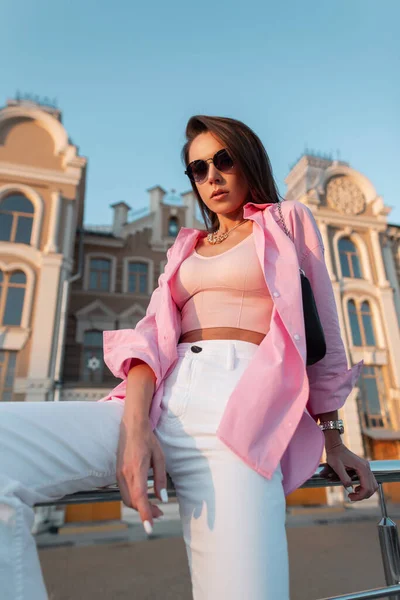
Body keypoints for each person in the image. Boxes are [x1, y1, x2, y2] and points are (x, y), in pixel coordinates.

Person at [0, 115, 379, 600]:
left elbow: (323, 327)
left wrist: (334, 440)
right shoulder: (185, 246)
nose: (212, 177)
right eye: (198, 169)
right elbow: (152, 339)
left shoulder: (286, 222)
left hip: (239, 416)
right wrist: (135, 430)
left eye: (223, 160)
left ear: (249, 161)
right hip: (159, 402)